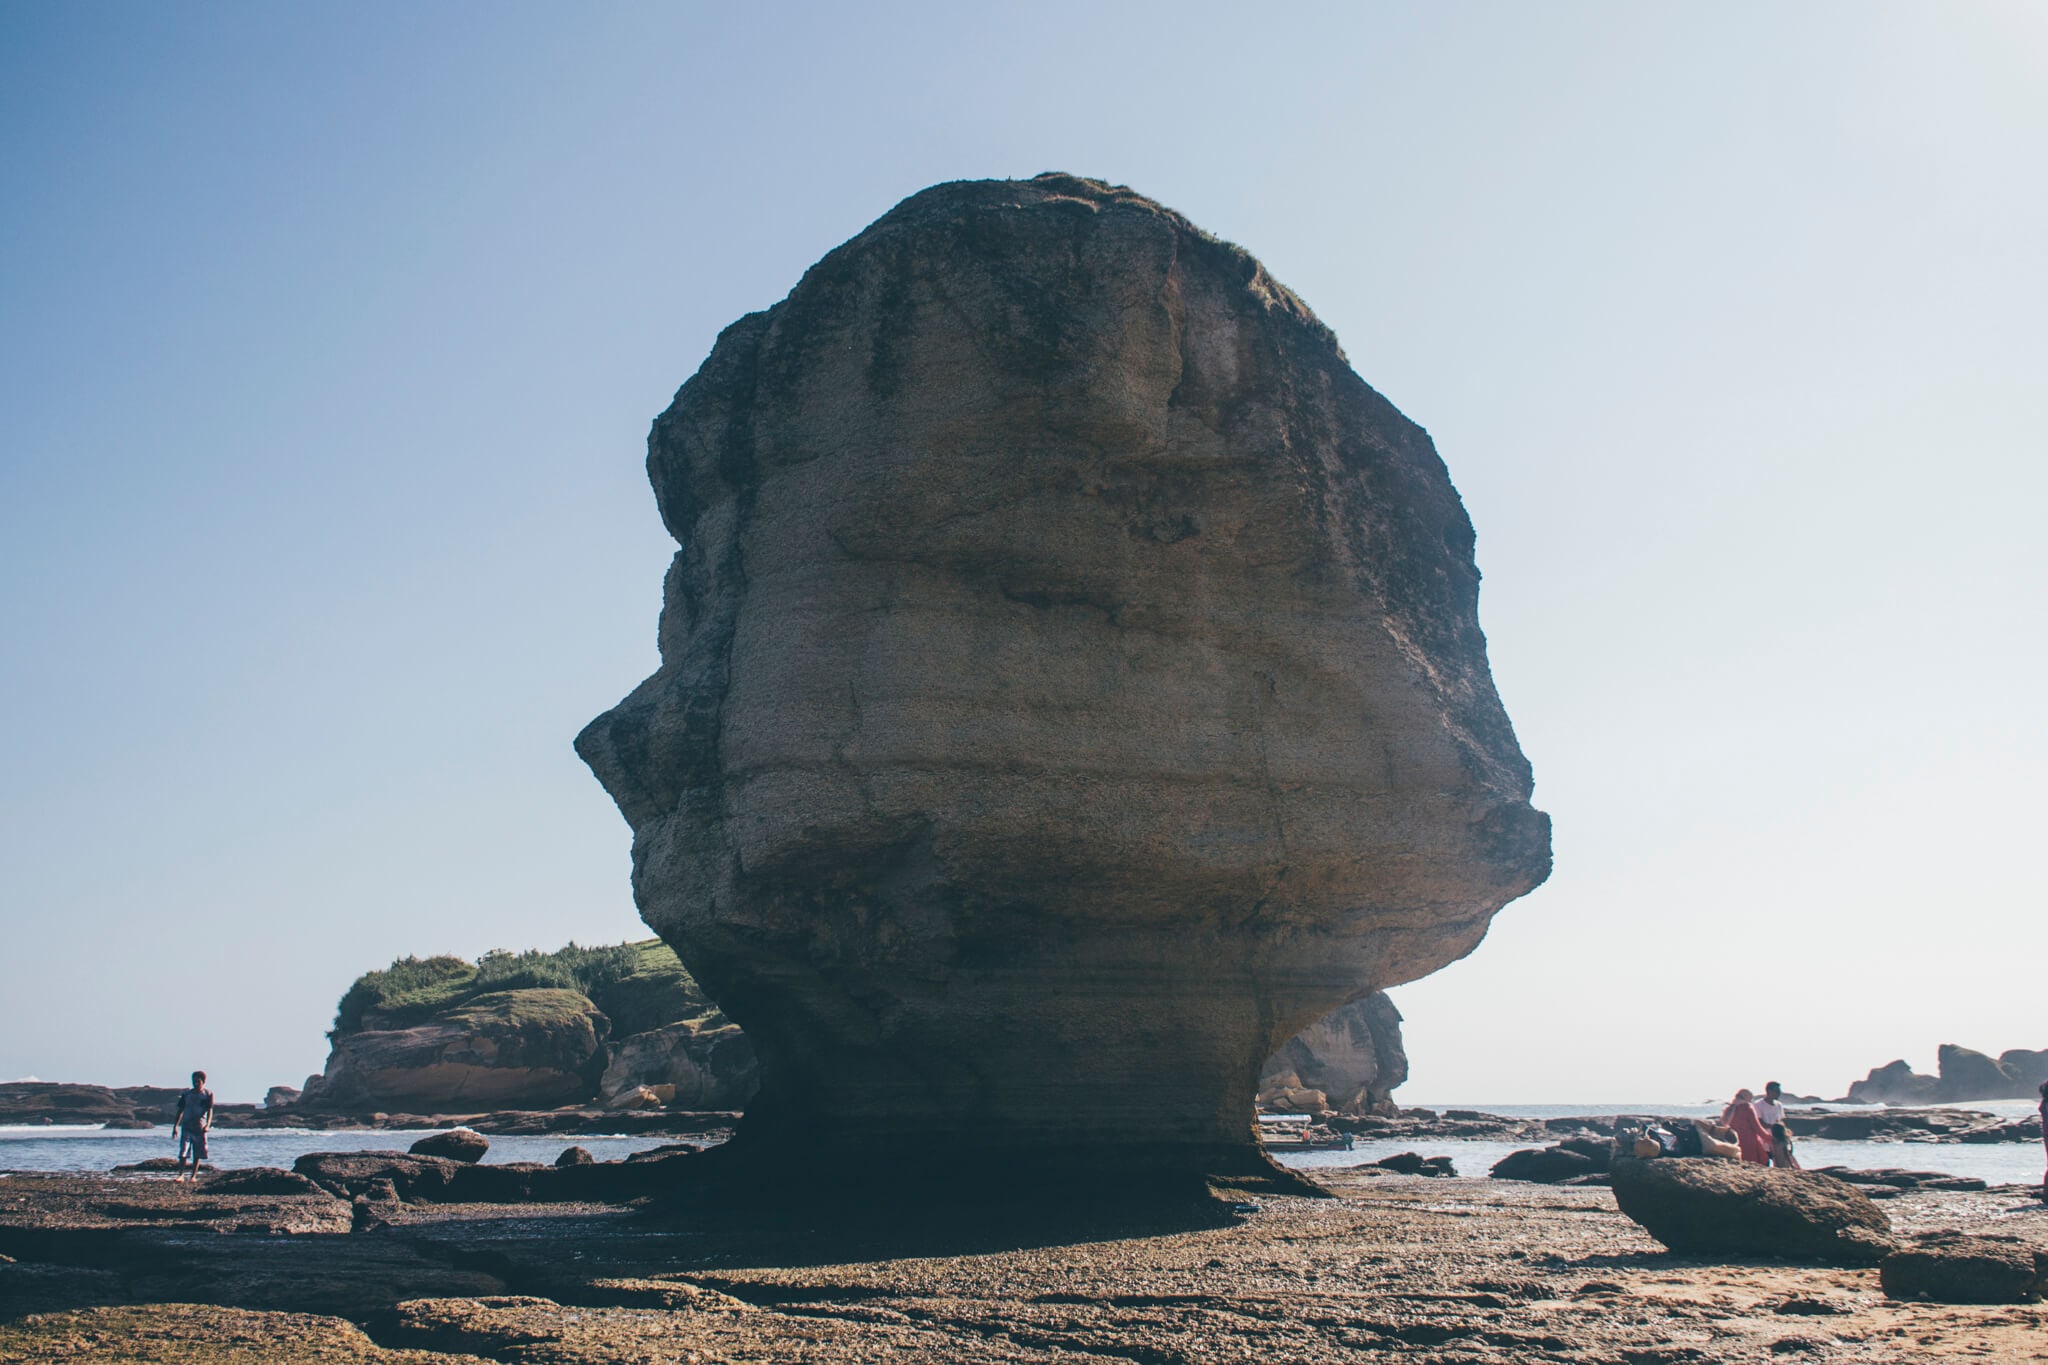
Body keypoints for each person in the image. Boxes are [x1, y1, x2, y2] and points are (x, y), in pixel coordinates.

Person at [172, 1070, 214, 1182]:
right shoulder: (187, 1095)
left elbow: (209, 1111)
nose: (196, 1083)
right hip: (187, 1126)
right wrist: (175, 1126)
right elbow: (180, 1110)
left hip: (200, 1128)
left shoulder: (207, 1094)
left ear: (203, 1082)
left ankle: (193, 1176)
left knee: (198, 1152)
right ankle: (181, 1175)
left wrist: (207, 1125)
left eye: (198, 1081)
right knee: (183, 1151)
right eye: (194, 1081)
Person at [1719, 1088, 1772, 1165]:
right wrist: (1770, 1138)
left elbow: (1724, 1124)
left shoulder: (1729, 1108)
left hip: (1734, 1142)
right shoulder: (1747, 1108)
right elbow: (1757, 1128)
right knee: (1761, 1161)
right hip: (1749, 1143)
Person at [1753, 1082, 1793, 1166]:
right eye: (1776, 1091)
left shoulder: (1779, 1105)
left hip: (1778, 1137)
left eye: (1779, 1091)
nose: (1779, 1093)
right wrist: (1774, 1128)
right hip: (1765, 1137)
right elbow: (1759, 1122)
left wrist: (1785, 1133)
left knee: (1782, 1161)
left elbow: (1781, 1120)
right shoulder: (1759, 1105)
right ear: (1768, 1091)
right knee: (1765, 1159)